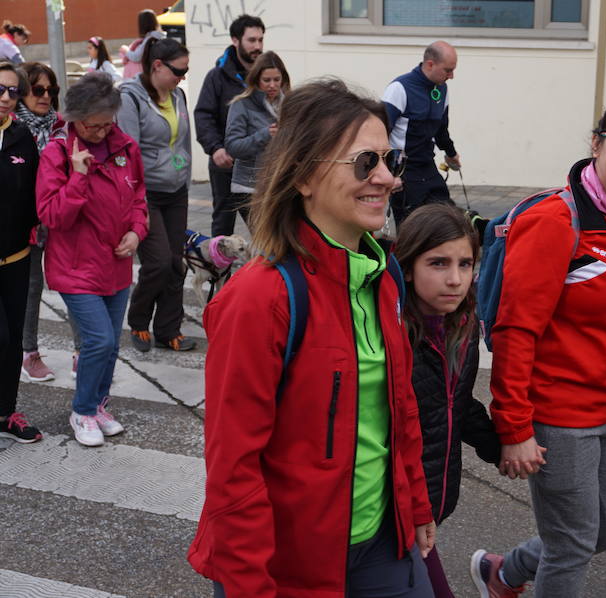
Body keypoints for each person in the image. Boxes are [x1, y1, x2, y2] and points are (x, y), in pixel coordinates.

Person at [187, 77, 436, 598]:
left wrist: (414, 504)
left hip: (384, 545)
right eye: (367, 163)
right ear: (303, 175)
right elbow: (234, 468)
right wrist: (250, 586)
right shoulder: (259, 298)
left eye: (393, 162)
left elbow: (398, 407)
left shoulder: (382, 272)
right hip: (289, 563)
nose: (388, 179)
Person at [469, 90, 606, 598]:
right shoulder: (555, 223)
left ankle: (504, 571)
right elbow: (515, 332)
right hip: (561, 419)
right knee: (572, 545)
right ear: (598, 141)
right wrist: (514, 426)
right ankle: (509, 576)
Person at [394, 203, 501, 598]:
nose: (456, 280)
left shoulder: (462, 325)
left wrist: (501, 445)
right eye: (438, 263)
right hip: (392, 509)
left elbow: (454, 402)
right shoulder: (393, 333)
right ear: (406, 267)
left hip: (432, 503)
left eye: (466, 264)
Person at [36, 72, 148, 447]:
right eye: (92, 126)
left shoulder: (126, 148)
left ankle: (99, 405)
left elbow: (138, 198)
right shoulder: (57, 154)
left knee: (112, 343)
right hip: (75, 267)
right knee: (98, 340)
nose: (101, 132)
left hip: (115, 264)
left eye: (106, 124)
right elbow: (52, 215)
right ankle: (82, 410)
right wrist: (79, 177)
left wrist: (136, 232)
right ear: (74, 119)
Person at [117, 37, 195, 352]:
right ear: (157, 66)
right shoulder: (129, 98)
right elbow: (128, 154)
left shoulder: (177, 95)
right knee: (159, 262)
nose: (183, 77)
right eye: (178, 70)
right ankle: (138, 320)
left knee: (176, 264)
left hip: (176, 190)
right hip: (145, 193)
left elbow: (183, 143)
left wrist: (186, 179)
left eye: (186, 70)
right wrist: (134, 202)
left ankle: (168, 330)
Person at [16, 62, 67, 383]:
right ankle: (28, 353)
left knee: (73, 284)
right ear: (24, 92)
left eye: (52, 90)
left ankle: (83, 353)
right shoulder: (14, 130)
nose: (46, 96)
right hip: (27, 222)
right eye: (38, 90)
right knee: (31, 290)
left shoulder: (62, 126)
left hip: (61, 217)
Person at [0, 61, 42, 443]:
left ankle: (5, 412)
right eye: (0, 88)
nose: (6, 97)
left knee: (13, 338)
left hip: (15, 257)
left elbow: (35, 193)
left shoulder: (21, 136)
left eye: (13, 91)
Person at [194, 14, 265, 237]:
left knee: (264, 226)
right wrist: (216, 148)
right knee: (223, 226)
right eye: (251, 40)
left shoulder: (267, 75)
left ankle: (269, 271)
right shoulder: (216, 77)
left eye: (261, 40)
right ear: (235, 40)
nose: (258, 46)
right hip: (225, 165)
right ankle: (218, 271)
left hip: (257, 167)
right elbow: (203, 115)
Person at [382, 41, 460, 226]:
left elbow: (441, 129)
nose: (452, 76)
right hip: (403, 171)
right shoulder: (399, 88)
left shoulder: (442, 88)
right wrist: (390, 175)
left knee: (446, 220)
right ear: (430, 64)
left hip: (427, 166)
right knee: (413, 231)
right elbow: (379, 133)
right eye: (447, 70)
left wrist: (451, 154)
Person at [223, 50, 288, 218]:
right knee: (267, 241)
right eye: (266, 80)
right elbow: (232, 147)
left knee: (280, 242)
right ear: (256, 79)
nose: (272, 85)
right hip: (249, 188)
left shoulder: (290, 103)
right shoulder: (241, 104)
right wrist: (265, 135)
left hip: (280, 186)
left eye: (277, 80)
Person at [120, 9, 165, 81]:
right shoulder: (160, 36)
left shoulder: (150, 39)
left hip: (150, 76)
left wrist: (125, 50)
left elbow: (136, 57)